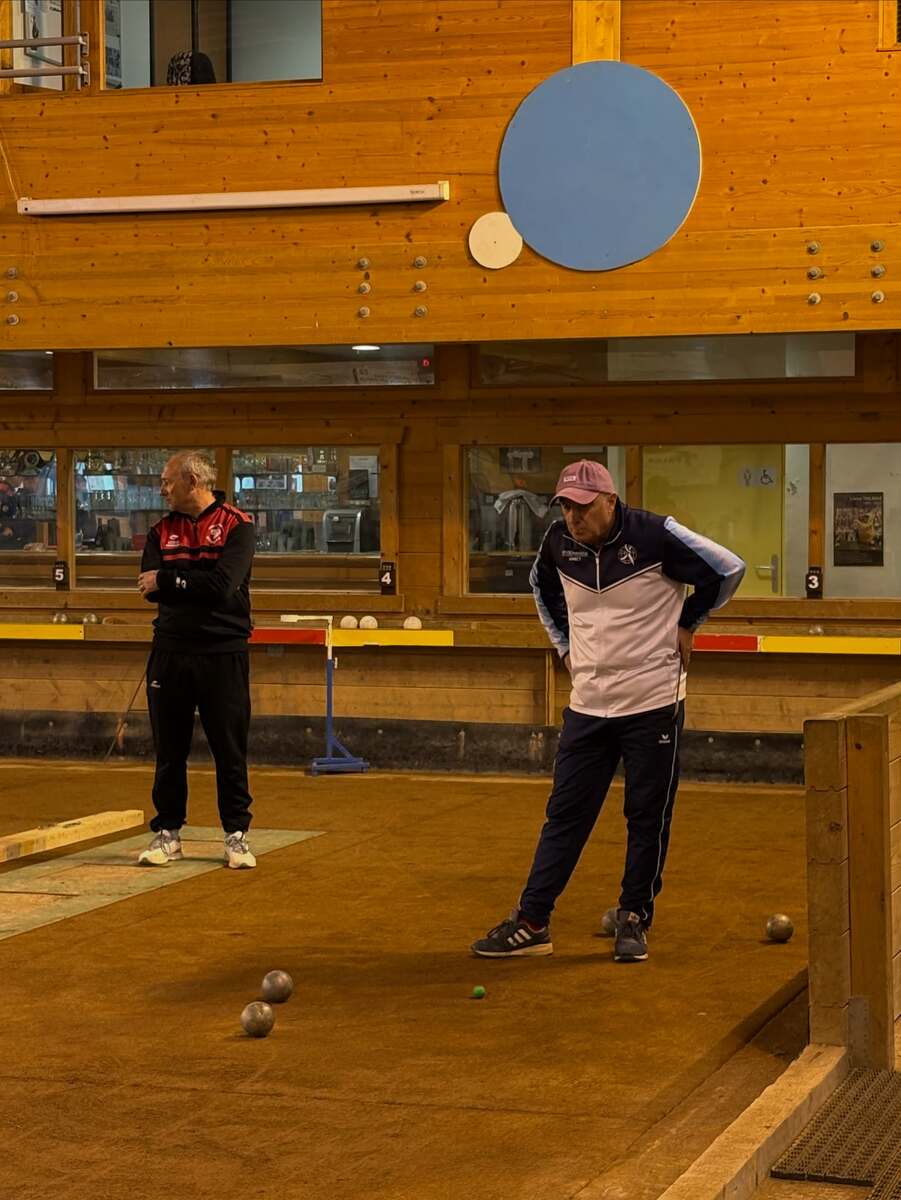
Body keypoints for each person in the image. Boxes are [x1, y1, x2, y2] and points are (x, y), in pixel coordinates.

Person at [471, 459, 745, 963]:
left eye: (583, 506)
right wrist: (564, 646)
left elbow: (727, 570)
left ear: (610, 501)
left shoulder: (656, 535)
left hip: (652, 701)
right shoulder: (559, 543)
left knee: (646, 816)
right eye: (566, 507)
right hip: (588, 705)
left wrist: (689, 620)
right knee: (564, 815)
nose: (573, 517)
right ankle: (532, 921)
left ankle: (634, 917)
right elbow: (541, 588)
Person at [136, 451, 257, 869]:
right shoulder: (160, 530)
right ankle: (168, 833)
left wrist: (169, 580)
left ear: (192, 481)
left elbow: (223, 587)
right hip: (170, 652)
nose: (162, 489)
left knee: (229, 748)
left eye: (167, 481)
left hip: (223, 652)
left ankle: (236, 834)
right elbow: (147, 588)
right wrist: (186, 584)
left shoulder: (237, 526)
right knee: (169, 749)